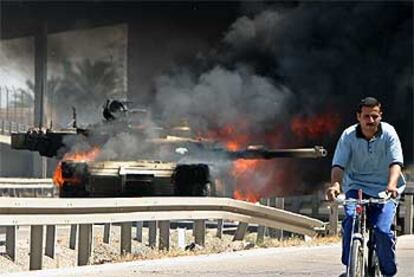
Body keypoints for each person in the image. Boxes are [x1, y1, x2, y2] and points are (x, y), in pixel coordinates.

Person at [325, 97, 406, 277]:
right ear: (358, 117)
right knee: (350, 221)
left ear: (380, 116)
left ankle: (388, 271)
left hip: (385, 189)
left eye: (374, 116)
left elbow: (396, 162)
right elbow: (338, 165)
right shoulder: (348, 136)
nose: (370, 121)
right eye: (366, 116)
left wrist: (391, 185)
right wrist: (335, 185)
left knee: (382, 230)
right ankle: (350, 267)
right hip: (357, 187)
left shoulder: (389, 133)